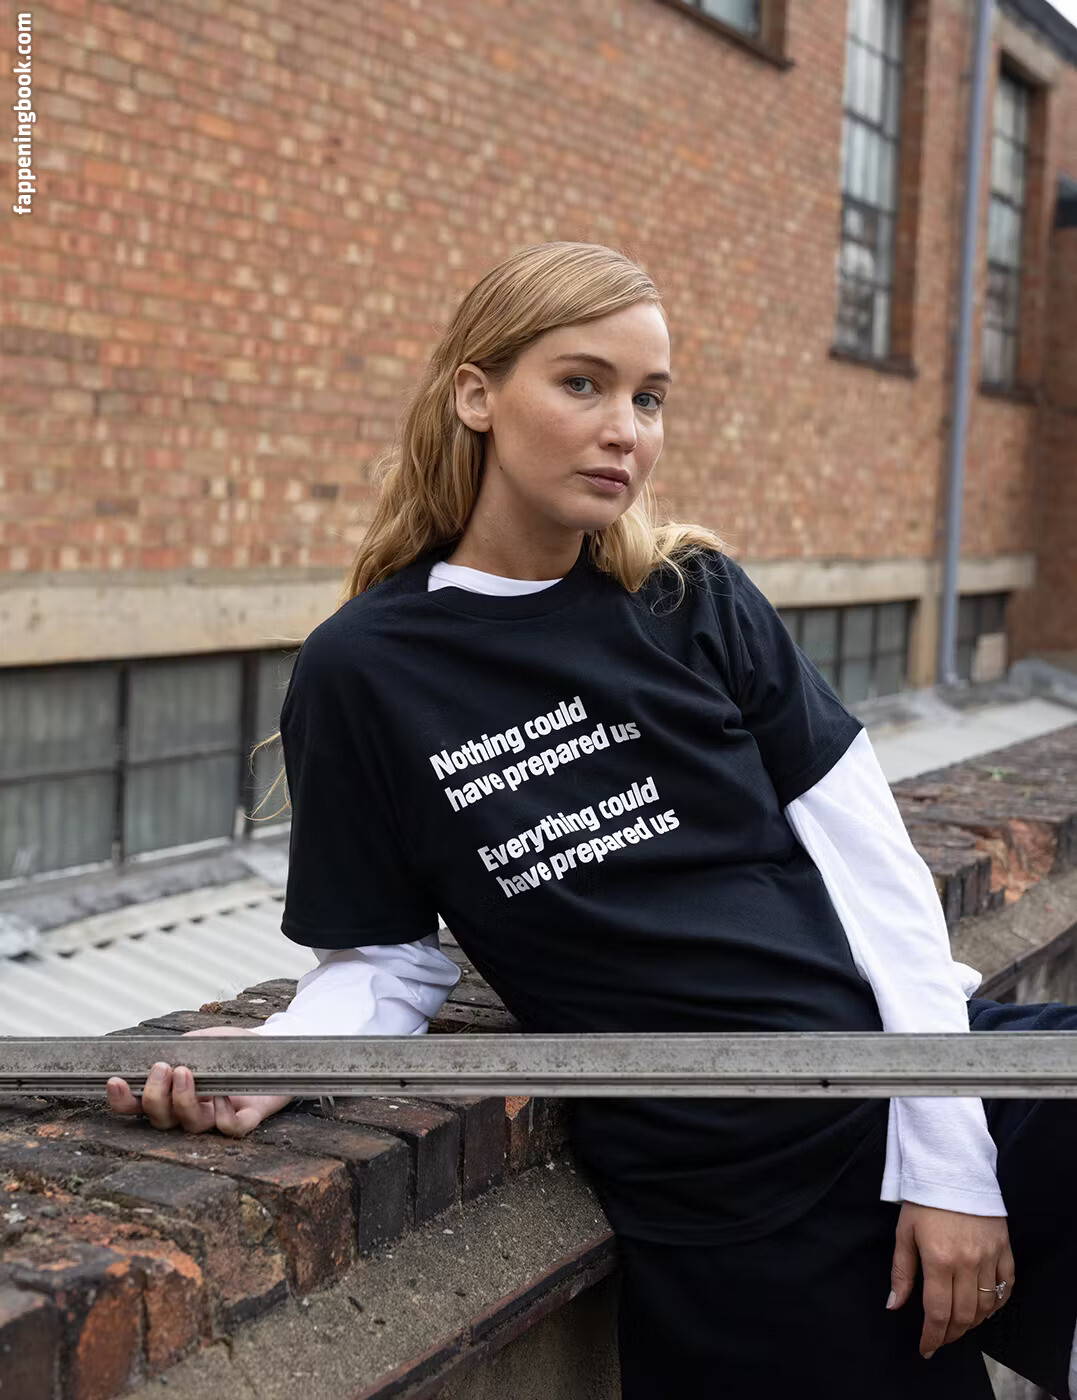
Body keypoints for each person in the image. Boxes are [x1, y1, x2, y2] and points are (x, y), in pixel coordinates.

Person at [105, 241, 1077, 1399]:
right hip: (738, 1199)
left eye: (649, 397)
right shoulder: (365, 670)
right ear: (477, 394)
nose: (626, 429)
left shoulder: (692, 597)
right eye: (583, 383)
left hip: (924, 1087)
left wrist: (950, 1162)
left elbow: (883, 885)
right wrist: (280, 1059)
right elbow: (387, 959)